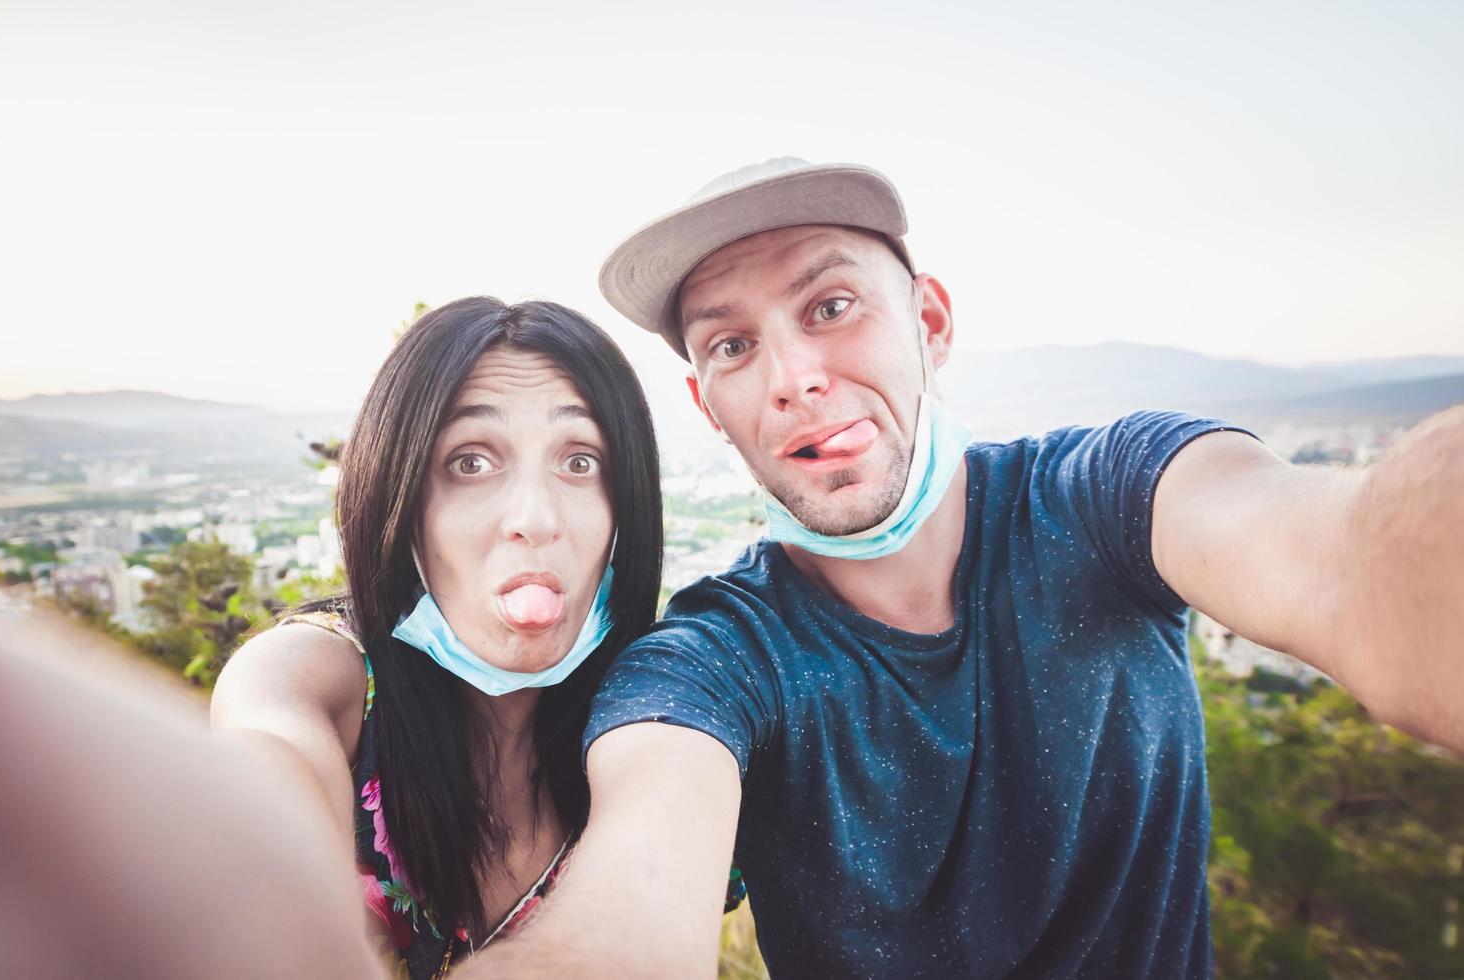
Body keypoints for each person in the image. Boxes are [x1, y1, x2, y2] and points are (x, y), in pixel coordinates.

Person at [471, 159, 1464, 978]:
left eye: (831, 304)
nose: (793, 377)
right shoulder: (713, 657)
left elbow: (1352, 555)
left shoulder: (1108, 495)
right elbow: (630, 899)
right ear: (708, 403)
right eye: (733, 345)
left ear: (931, 323)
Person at [211, 297, 664, 977]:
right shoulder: (309, 673)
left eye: (579, 462)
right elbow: (266, 757)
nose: (536, 519)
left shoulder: (659, 714)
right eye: (471, 462)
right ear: (399, 503)